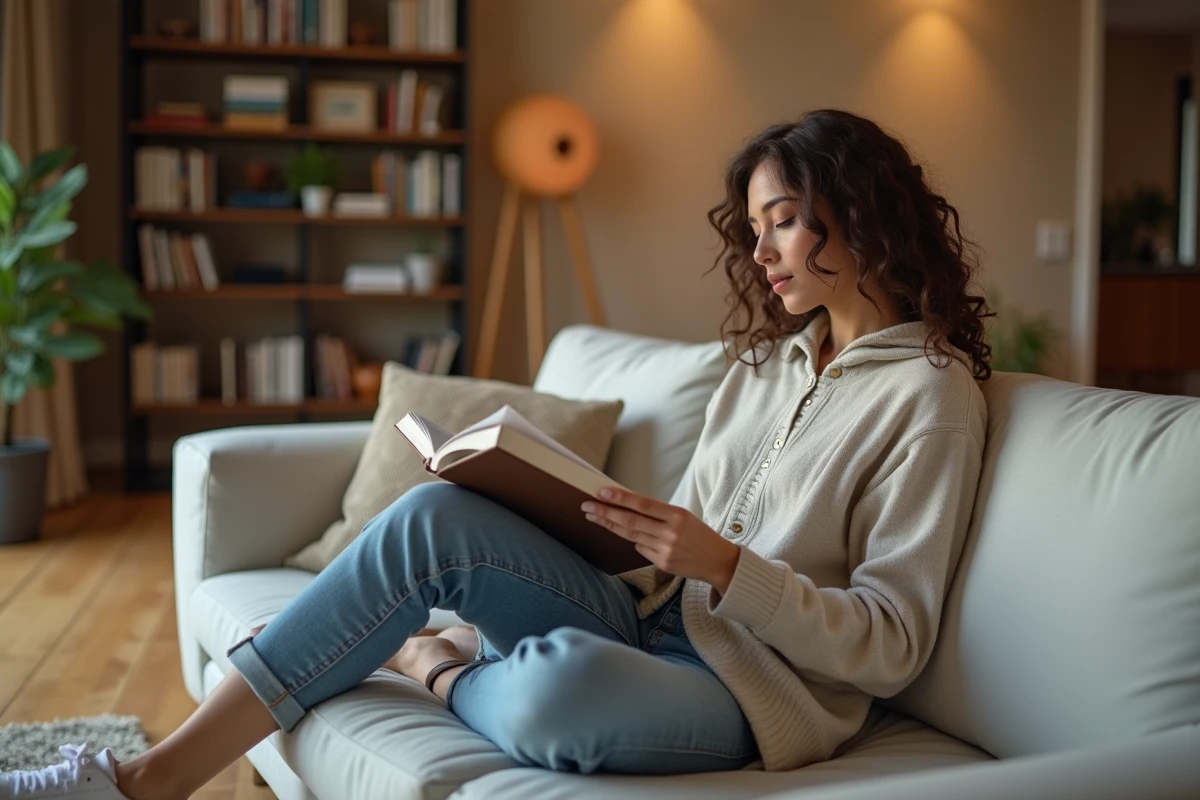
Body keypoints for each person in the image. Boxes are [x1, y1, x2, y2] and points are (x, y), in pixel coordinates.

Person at [0, 109, 990, 799]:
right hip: (653, 618)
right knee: (432, 516)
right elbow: (678, 542)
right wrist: (580, 515)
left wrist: (729, 567)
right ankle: (145, 777)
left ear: (856, 214)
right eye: (757, 226)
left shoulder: (932, 396)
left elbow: (893, 640)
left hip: (754, 690)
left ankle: (436, 662)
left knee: (561, 692)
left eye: (782, 221)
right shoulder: (775, 365)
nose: (762, 252)